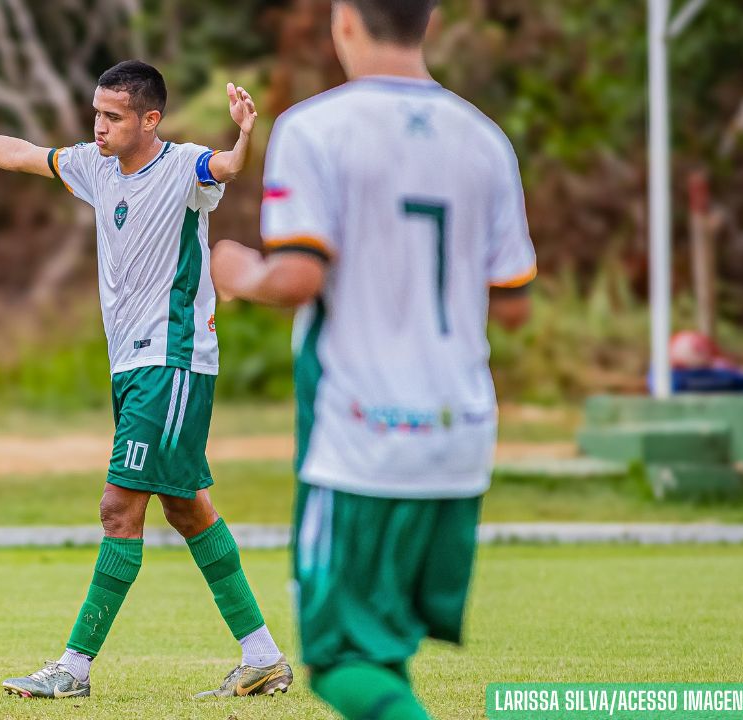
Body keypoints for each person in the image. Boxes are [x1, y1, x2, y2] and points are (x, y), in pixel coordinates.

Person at [0, 60, 292, 700]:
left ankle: (73, 668)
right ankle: (261, 656)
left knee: (118, 509)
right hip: (133, 368)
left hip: (171, 362)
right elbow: (17, 155)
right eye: (96, 113)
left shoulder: (184, 167)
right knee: (185, 507)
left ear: (150, 119)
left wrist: (243, 135)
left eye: (113, 116)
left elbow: (227, 169)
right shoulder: (96, 167)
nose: (98, 126)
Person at [209, 1, 535, 717]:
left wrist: (238, 273)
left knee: (336, 659)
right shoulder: (484, 139)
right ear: (432, 22)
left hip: (362, 435)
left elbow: (298, 277)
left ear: (346, 22)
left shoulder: (315, 128)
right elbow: (512, 304)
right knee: (385, 651)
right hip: (461, 435)